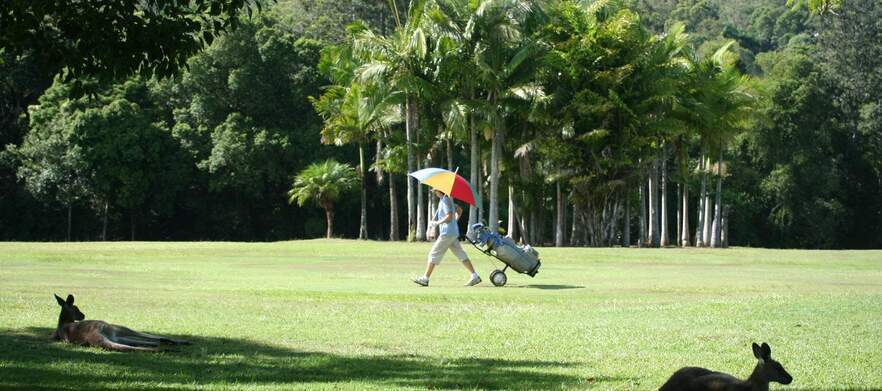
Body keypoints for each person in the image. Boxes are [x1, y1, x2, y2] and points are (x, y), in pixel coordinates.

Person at [411, 189, 481, 287]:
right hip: (452, 232)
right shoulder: (447, 200)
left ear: (439, 191)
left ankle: (425, 279)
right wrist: (454, 223)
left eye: (435, 190)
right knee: (460, 254)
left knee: (433, 253)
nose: (434, 192)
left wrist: (436, 223)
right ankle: (475, 276)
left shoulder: (445, 201)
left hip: (447, 233)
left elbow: (449, 216)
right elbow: (459, 210)